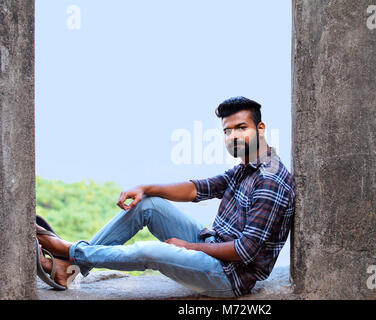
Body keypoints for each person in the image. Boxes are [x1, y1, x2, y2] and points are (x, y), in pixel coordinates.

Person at [37, 96, 296, 298]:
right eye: (228, 131)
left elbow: (245, 251)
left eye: (242, 128)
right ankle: (72, 271)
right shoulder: (247, 168)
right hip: (215, 247)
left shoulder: (269, 179)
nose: (234, 136)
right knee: (148, 205)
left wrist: (189, 247)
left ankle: (69, 251)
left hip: (228, 276)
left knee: (151, 251)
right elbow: (199, 188)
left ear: (260, 128)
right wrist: (145, 188)